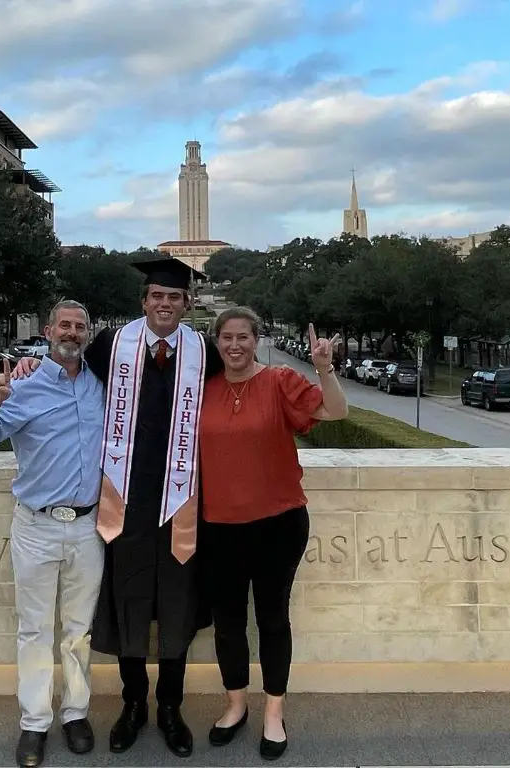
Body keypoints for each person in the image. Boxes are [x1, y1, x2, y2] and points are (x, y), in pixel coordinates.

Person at [11, 258, 223, 758]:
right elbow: (68, 366)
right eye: (156, 296)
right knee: (129, 607)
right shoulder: (112, 345)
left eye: (174, 297)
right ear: (144, 301)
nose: (164, 304)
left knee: (177, 607)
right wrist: (29, 363)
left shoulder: (204, 352)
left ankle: (170, 708)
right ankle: (133, 707)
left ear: (187, 304)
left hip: (180, 501)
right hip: (124, 503)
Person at [198, 307, 348, 761]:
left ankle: (274, 714)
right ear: (217, 342)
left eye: (243, 336)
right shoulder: (201, 389)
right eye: (227, 337)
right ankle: (236, 705)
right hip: (218, 526)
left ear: (257, 339)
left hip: (277, 524)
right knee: (227, 623)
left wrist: (324, 368)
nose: (235, 345)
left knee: (271, 619)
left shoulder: (280, 380)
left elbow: (337, 411)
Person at [0, 300, 105, 768]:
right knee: (35, 629)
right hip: (36, 526)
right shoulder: (22, 384)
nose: (72, 332)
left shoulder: (100, 385)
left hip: (87, 526)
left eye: (79, 326)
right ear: (48, 331)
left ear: (89, 333)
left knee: (79, 630)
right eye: (64, 325)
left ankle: (76, 713)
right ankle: (34, 723)